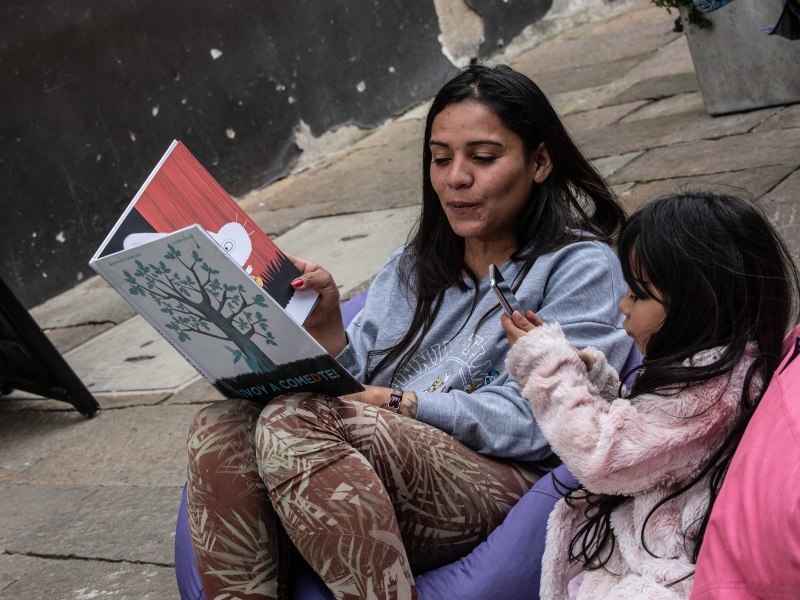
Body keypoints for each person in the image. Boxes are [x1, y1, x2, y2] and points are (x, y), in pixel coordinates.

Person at [186, 63, 632, 600]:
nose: (454, 178)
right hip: (380, 456)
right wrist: (328, 330)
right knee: (219, 425)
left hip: (496, 472)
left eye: (482, 158)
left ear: (539, 161)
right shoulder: (411, 266)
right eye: (440, 159)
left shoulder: (579, 265)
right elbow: (352, 393)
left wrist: (400, 403)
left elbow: (545, 420)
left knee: (292, 420)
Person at [502, 192, 800, 599]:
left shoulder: (709, 394)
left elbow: (603, 455)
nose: (623, 305)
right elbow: (652, 431)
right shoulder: (723, 371)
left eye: (639, 294)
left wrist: (547, 366)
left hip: (656, 579)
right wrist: (589, 375)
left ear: (697, 305)